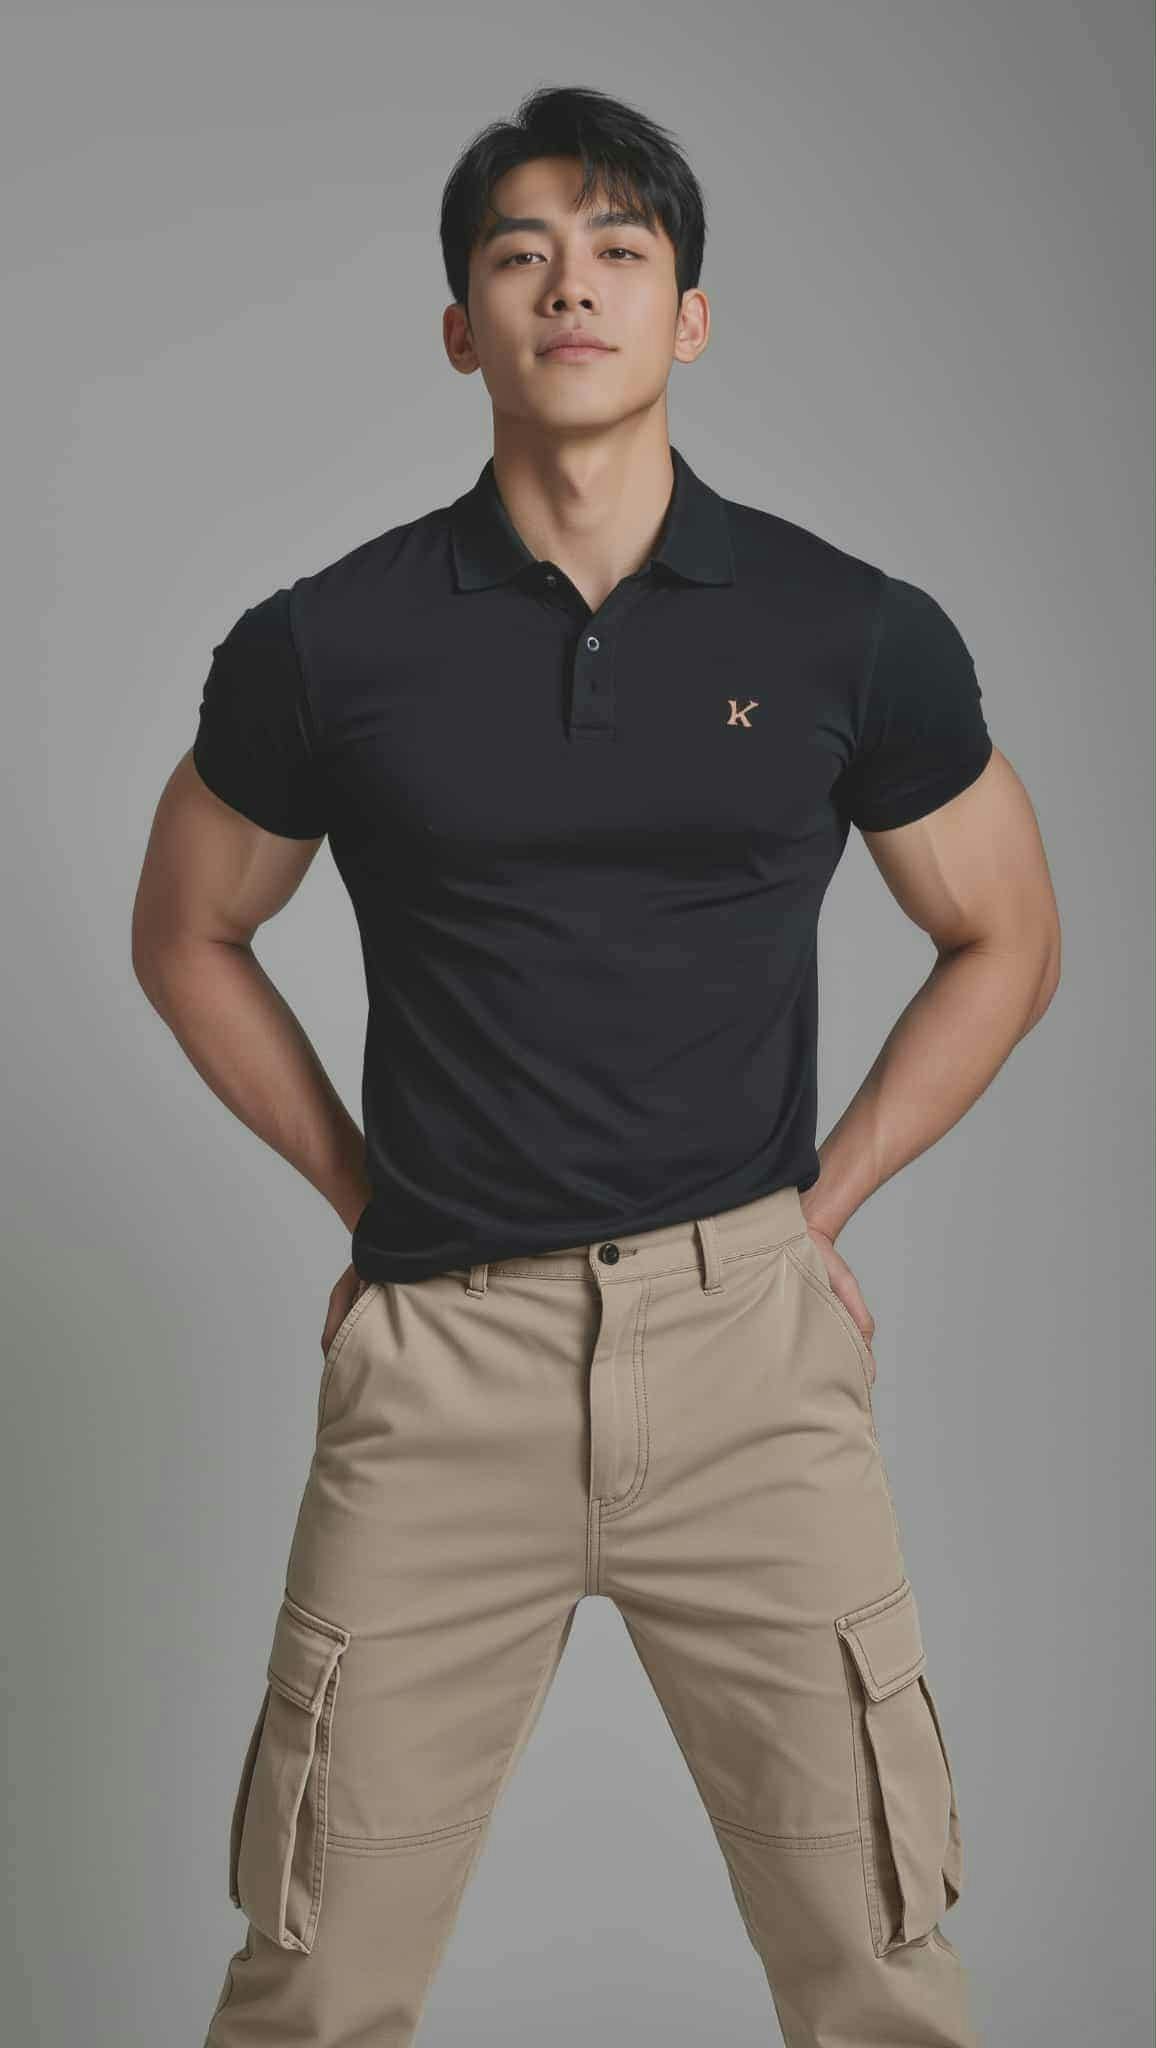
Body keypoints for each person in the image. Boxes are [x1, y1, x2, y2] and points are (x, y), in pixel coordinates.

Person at [132, 82, 1060, 2048]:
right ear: (459, 324)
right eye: (521, 255)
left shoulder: (845, 629)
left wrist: (819, 1207)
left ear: (686, 315)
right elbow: (186, 927)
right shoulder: (326, 644)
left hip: (749, 1366)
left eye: (619, 250)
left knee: (879, 1972)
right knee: (311, 1978)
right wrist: (367, 1197)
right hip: (442, 1369)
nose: (573, 286)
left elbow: (1007, 933)